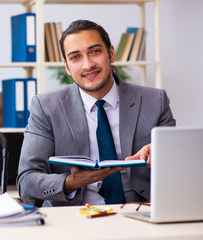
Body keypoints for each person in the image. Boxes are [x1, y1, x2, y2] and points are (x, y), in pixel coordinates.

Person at [16, 20, 176, 207]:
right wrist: (70, 183)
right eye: (75, 57)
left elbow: (179, 168)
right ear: (67, 67)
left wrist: (163, 156)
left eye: (95, 51)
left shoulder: (155, 101)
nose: (88, 64)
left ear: (111, 53)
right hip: (73, 217)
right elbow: (26, 182)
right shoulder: (45, 107)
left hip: (140, 211)